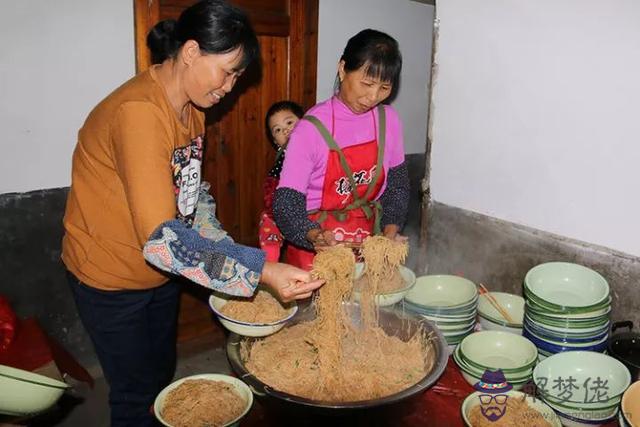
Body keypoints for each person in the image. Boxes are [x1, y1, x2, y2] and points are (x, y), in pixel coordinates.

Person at [61, 1, 323, 425]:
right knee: (134, 394)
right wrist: (261, 271)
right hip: (109, 276)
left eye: (238, 76)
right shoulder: (140, 114)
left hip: (159, 274)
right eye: (229, 71)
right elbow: (163, 242)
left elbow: (192, 199)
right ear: (190, 51)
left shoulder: (192, 111)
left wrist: (232, 251)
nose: (231, 87)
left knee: (161, 378)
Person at [273, 29, 410, 270]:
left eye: (384, 87)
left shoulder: (390, 121)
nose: (372, 97)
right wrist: (314, 236)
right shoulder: (310, 129)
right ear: (343, 68)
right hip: (315, 247)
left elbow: (397, 186)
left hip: (368, 242)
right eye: (366, 83)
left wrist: (388, 234)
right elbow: (287, 204)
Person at [258, 100, 304, 262]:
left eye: (290, 123)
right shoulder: (282, 161)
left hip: (313, 208)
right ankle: (270, 264)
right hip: (284, 208)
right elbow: (271, 189)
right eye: (277, 130)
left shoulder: (317, 148)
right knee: (268, 220)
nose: (285, 131)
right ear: (276, 142)